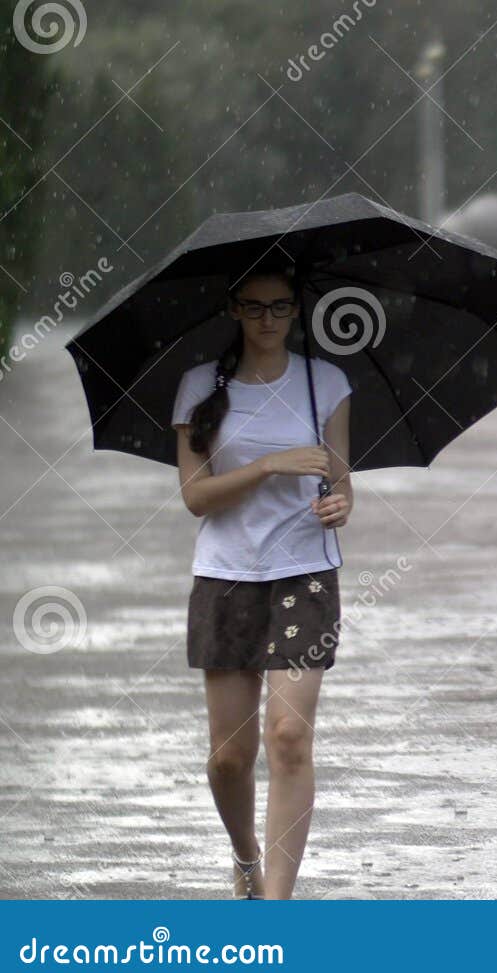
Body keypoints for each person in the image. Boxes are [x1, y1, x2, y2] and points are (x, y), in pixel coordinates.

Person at [170, 263, 354, 899]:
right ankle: (246, 855)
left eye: (280, 307)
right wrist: (270, 465)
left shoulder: (324, 383)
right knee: (228, 757)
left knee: (289, 736)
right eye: (254, 307)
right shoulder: (199, 386)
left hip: (305, 573)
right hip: (224, 576)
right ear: (233, 309)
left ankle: (277, 906)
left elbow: (342, 482)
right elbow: (196, 497)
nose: (268, 320)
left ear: (298, 310)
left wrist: (341, 504)